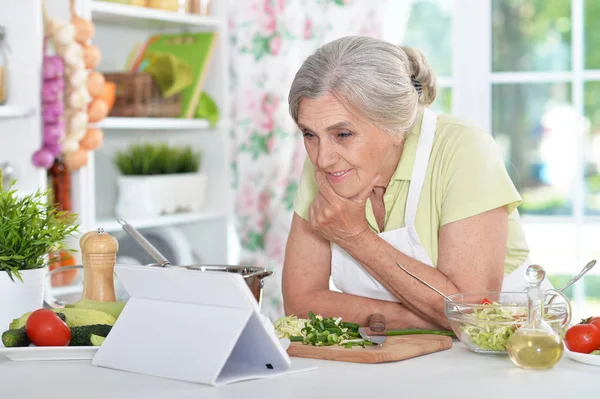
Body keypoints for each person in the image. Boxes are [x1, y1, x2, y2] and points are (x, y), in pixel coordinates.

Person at [281, 35, 551, 330]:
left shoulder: (463, 149)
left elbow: (470, 313)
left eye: (343, 134)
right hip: (397, 353)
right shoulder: (331, 163)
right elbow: (300, 301)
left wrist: (356, 237)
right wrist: (426, 318)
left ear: (396, 127)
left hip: (509, 353)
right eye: (309, 134)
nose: (322, 158)